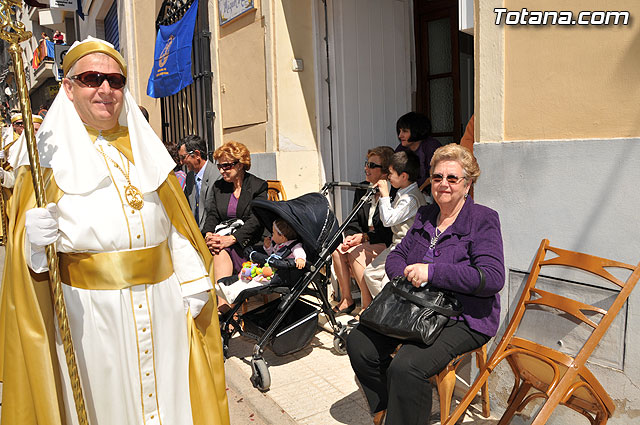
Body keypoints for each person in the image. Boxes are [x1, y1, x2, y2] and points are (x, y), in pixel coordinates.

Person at [0, 37, 230, 425]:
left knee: (172, 406)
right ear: (69, 88)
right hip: (90, 317)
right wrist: (32, 243)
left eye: (116, 80)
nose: (105, 89)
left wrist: (193, 282)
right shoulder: (43, 161)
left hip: (163, 308)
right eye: (92, 78)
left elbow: (176, 226)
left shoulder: (146, 150)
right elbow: (30, 270)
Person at [347, 143, 505, 425]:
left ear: (467, 185)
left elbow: (491, 278)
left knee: (407, 367)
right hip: (417, 305)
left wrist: (432, 273)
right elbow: (398, 255)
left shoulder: (483, 220)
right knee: (359, 342)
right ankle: (385, 406)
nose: (443, 184)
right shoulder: (426, 215)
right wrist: (405, 274)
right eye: (437, 177)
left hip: (464, 314)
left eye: (452, 178)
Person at [331, 146, 394, 314]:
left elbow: (388, 231)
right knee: (337, 250)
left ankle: (367, 305)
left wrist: (364, 237)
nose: (367, 168)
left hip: (384, 242)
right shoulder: (363, 189)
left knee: (355, 252)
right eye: (366, 164)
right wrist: (351, 237)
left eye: (372, 165)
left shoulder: (392, 192)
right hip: (365, 240)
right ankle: (347, 300)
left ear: (385, 170)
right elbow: (353, 221)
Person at [202, 141, 268, 298]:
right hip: (223, 239)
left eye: (226, 166)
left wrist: (232, 239)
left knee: (219, 251)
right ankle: (226, 309)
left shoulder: (258, 186)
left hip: (249, 242)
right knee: (214, 248)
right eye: (219, 166)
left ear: (240, 164)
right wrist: (209, 234)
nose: (222, 171)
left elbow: (257, 220)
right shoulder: (219, 186)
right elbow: (213, 214)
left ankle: (224, 309)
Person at [362, 150, 427, 298]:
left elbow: (388, 221)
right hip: (395, 246)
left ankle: (389, 313)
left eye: (391, 173)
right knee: (370, 273)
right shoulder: (403, 193)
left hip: (405, 248)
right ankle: (383, 310)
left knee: (389, 282)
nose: (388, 177)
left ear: (403, 176)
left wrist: (384, 196)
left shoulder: (411, 199)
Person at [394, 111, 441, 194]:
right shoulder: (401, 148)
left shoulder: (431, 146)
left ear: (416, 131)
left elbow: (435, 175)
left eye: (404, 131)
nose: (400, 135)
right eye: (399, 131)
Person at [179, 134, 217, 232]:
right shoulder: (190, 177)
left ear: (197, 154)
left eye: (183, 157)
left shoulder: (217, 176)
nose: (181, 162)